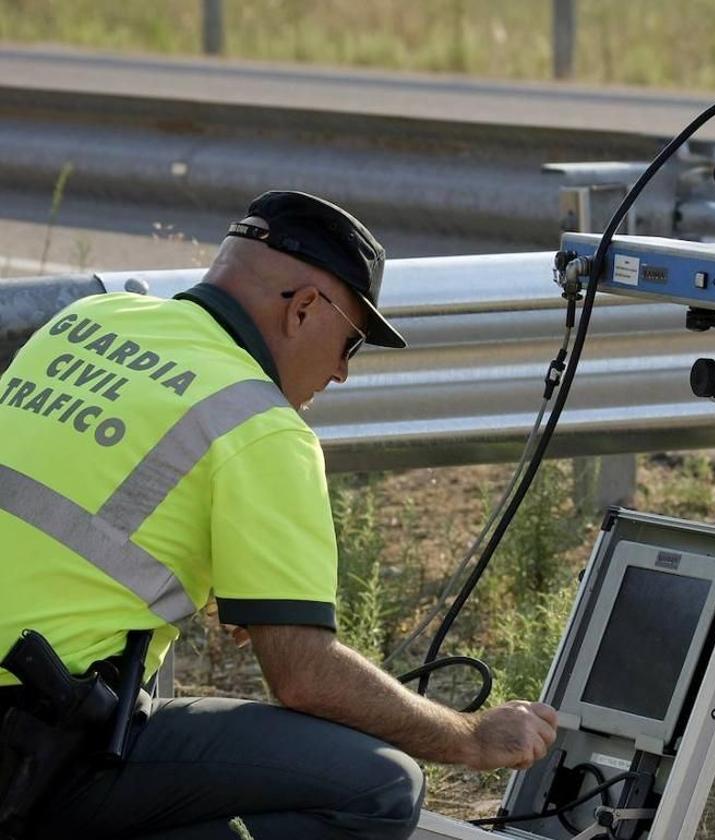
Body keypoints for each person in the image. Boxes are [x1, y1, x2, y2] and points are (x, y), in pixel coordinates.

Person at [0, 190, 558, 839]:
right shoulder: (259, 425)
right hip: (32, 750)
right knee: (379, 786)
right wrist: (471, 738)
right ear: (303, 308)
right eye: (352, 341)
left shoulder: (90, 319)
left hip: (28, 716)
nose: (343, 372)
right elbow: (304, 676)